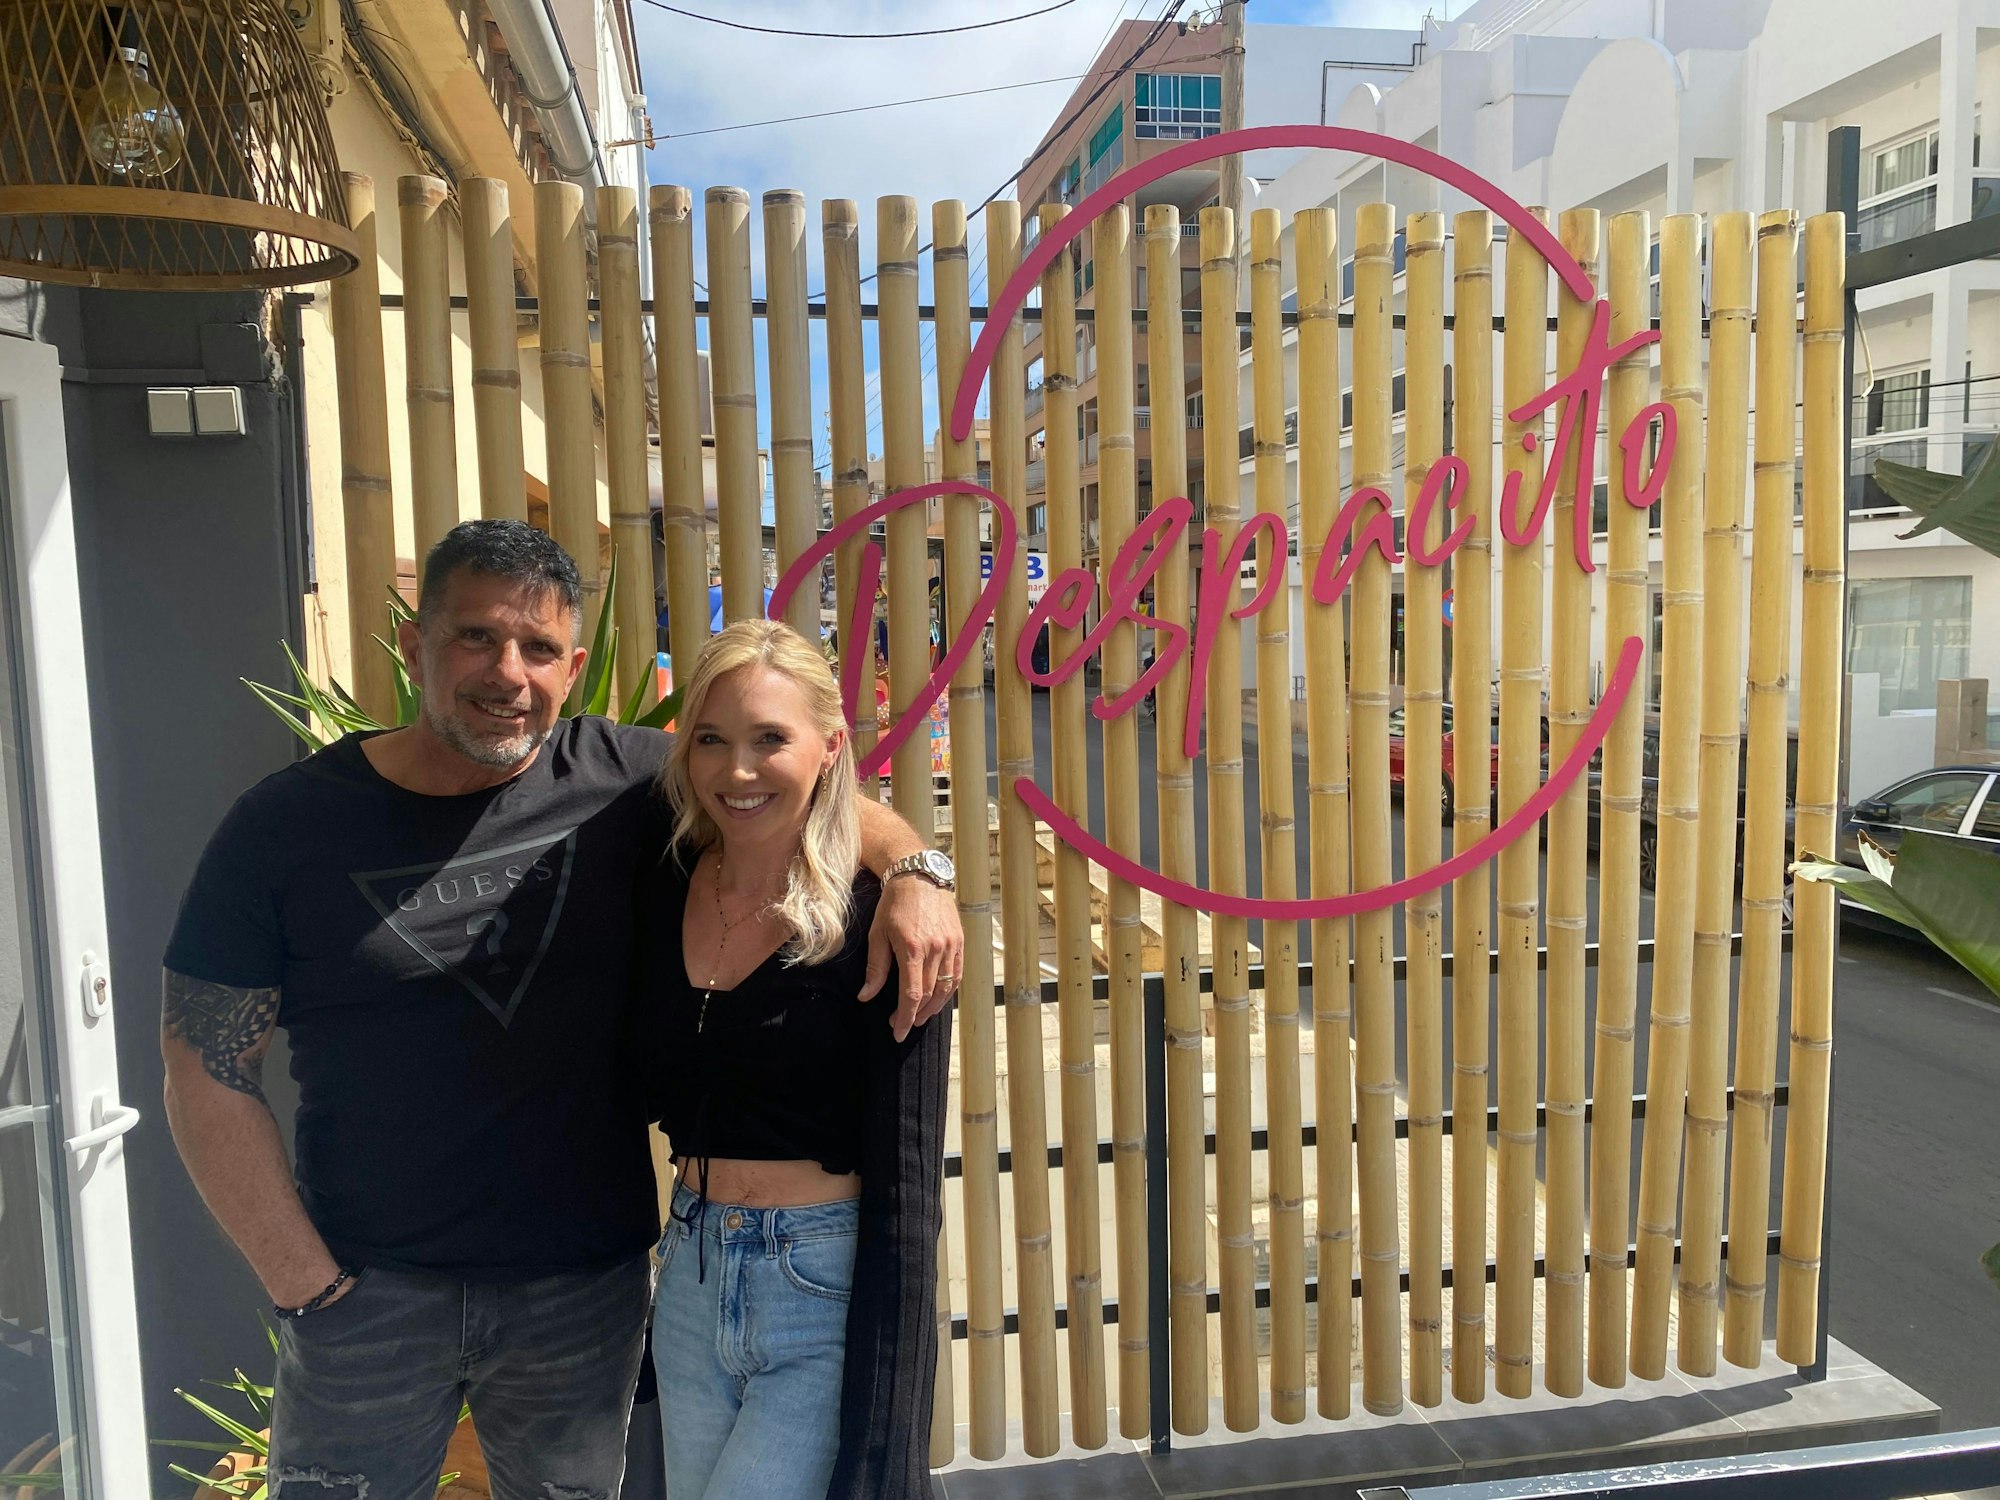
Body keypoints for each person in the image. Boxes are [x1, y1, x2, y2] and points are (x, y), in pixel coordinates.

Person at [160, 520, 962, 1500]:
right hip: (369, 1300)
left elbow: (780, 779)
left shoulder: (625, 780)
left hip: (581, 1300)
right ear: (416, 642)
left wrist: (916, 869)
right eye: (476, 637)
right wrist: (308, 1289)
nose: (508, 672)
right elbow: (203, 1064)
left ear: (573, 666)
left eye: (538, 648)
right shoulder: (284, 826)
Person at [632, 619, 951, 1500]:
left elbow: (911, 1169)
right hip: (690, 1270)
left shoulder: (880, 922)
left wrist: (917, 868)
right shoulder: (659, 876)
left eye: (771, 738)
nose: (738, 770)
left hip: (817, 1280)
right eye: (711, 739)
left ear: (829, 745)